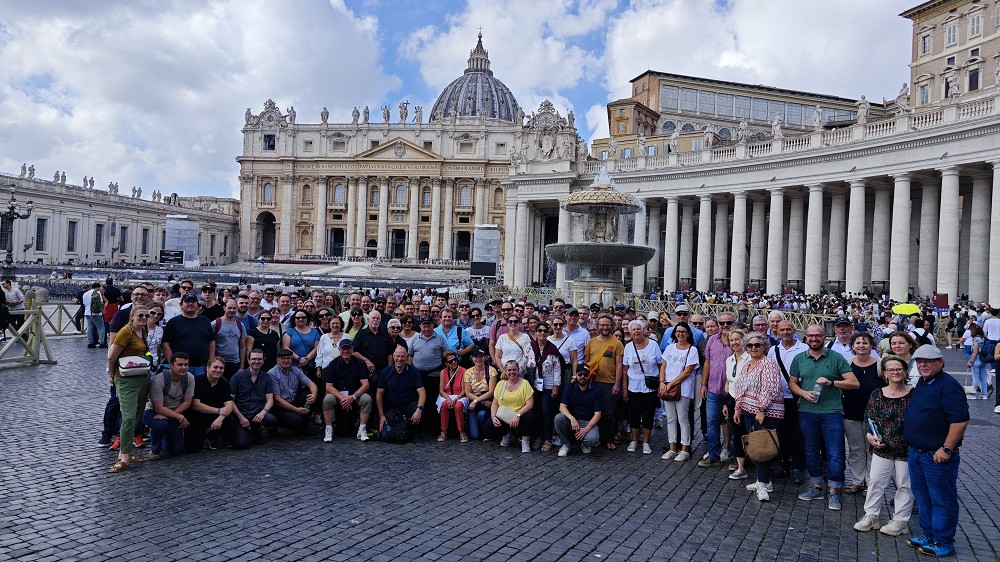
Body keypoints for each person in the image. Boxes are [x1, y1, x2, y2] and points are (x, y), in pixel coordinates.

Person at [903, 345, 969, 558]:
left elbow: (959, 421)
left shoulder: (948, 385)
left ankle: (944, 541)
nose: (923, 365)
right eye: (919, 361)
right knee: (923, 497)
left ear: (941, 362)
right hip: (917, 452)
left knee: (942, 499)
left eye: (928, 361)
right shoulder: (923, 382)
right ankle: (929, 534)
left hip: (937, 455)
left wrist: (947, 448)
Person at [788, 324, 860, 511]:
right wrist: (803, 394)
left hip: (832, 412)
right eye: (810, 335)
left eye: (817, 335)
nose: (813, 338)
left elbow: (854, 383)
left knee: (835, 452)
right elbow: (792, 383)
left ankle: (834, 490)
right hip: (807, 411)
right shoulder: (799, 359)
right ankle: (817, 486)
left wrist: (831, 382)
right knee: (810, 451)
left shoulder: (836, 357)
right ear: (806, 338)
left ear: (824, 337)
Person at [853, 355, 914, 537]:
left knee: (905, 485)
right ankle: (871, 516)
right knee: (876, 482)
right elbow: (868, 417)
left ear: (905, 372)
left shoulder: (914, 393)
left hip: (907, 448)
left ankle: (900, 521)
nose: (895, 372)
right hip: (882, 447)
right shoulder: (877, 393)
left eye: (899, 369)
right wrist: (869, 435)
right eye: (891, 369)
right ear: (885, 373)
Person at [732, 332, 785, 502]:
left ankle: (763, 484)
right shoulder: (747, 364)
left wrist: (762, 409)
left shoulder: (768, 363)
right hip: (748, 410)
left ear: (764, 347)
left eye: (757, 345)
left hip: (765, 412)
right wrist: (737, 408)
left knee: (761, 447)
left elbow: (771, 387)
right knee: (754, 446)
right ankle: (764, 480)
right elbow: (740, 388)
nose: (753, 348)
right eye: (750, 345)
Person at [106, 305, 151, 473]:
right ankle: (123, 456)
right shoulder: (125, 332)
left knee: (137, 417)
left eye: (147, 315)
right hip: (126, 379)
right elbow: (112, 357)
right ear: (131, 316)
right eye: (141, 315)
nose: (144, 318)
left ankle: (127, 451)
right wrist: (112, 376)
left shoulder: (143, 331)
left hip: (142, 377)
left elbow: (144, 352)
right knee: (129, 417)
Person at [842, 332, 885, 495]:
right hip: (851, 412)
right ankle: (857, 480)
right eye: (858, 343)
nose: (861, 345)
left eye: (865, 343)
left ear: (871, 346)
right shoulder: (847, 364)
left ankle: (870, 482)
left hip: (874, 415)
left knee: (872, 449)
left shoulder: (880, 365)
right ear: (853, 346)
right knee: (855, 449)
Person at [767, 319, 808, 483]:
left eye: (788, 329)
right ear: (777, 331)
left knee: (798, 433)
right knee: (781, 432)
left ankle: (798, 466)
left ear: (794, 330)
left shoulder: (804, 349)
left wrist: (803, 394)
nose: (785, 332)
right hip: (778, 398)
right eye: (782, 330)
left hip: (797, 397)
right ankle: (782, 464)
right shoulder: (773, 350)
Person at [142, 353, 196, 460]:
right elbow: (158, 408)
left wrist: (173, 416)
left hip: (173, 413)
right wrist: (179, 417)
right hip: (153, 413)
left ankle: (164, 436)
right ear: (171, 365)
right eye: (180, 365)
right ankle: (154, 449)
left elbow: (187, 402)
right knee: (161, 425)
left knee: (175, 451)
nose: (184, 368)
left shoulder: (190, 378)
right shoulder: (158, 380)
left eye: (186, 365)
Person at [658, 322, 699, 461]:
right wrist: (662, 382)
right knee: (670, 419)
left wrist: (670, 385)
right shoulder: (670, 348)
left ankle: (685, 449)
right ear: (674, 333)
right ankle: (672, 448)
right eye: (678, 331)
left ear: (688, 333)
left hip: (683, 389)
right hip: (667, 387)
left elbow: (687, 372)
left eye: (683, 331)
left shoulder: (692, 349)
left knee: (683, 419)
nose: (680, 334)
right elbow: (663, 366)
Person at [699, 311, 734, 467]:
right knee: (712, 422)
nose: (725, 326)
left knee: (731, 422)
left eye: (728, 323)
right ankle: (713, 453)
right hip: (713, 387)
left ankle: (729, 451)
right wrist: (703, 384)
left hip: (732, 390)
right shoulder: (712, 340)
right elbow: (707, 363)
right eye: (722, 323)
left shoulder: (737, 341)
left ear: (733, 323)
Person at [585, 314, 624, 450]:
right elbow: (586, 362)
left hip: (609, 384)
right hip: (593, 382)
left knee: (608, 413)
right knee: (595, 412)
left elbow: (619, 365)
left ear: (611, 326)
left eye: (607, 325)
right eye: (602, 325)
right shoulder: (591, 342)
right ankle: (598, 438)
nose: (605, 327)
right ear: (598, 326)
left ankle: (608, 439)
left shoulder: (617, 343)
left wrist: (617, 384)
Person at [321, 339, 372, 442]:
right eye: (343, 349)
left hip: (355, 394)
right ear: (339, 350)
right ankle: (328, 429)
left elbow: (365, 385)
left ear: (352, 349)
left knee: (367, 399)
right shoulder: (333, 364)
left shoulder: (359, 363)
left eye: (348, 348)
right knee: (327, 399)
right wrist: (343, 398)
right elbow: (328, 386)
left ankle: (362, 429)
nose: (346, 351)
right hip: (338, 394)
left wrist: (353, 397)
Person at [622, 320, 660, 455]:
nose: (636, 331)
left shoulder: (653, 345)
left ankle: (645, 442)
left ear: (643, 330)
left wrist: (661, 383)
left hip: (650, 386)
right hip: (633, 386)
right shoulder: (628, 347)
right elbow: (625, 369)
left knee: (648, 414)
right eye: (634, 329)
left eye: (639, 329)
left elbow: (661, 365)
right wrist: (625, 388)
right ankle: (634, 440)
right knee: (634, 414)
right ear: (630, 332)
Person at [185, 356, 236, 452]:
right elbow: (196, 405)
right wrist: (219, 411)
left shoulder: (224, 383)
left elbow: (229, 404)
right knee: (192, 449)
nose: (218, 370)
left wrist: (220, 418)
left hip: (216, 417)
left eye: (221, 368)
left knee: (231, 420)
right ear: (208, 367)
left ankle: (213, 436)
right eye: (215, 367)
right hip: (198, 416)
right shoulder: (197, 381)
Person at [229, 349, 279, 449]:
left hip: (257, 413)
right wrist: (241, 417)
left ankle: (256, 429)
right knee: (241, 444)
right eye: (254, 359)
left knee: (272, 420)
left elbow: (270, 400)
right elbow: (230, 400)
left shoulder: (266, 377)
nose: (257, 361)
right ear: (248, 360)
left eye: (259, 359)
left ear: (263, 360)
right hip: (240, 414)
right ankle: (245, 432)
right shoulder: (237, 377)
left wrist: (262, 413)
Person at [376, 346, 426, 437]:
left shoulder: (414, 372)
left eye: (402, 356)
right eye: (398, 356)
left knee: (421, 412)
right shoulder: (385, 372)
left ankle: (411, 430)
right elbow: (379, 394)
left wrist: (418, 410)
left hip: (408, 406)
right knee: (384, 435)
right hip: (391, 408)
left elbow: (422, 392)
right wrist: (381, 415)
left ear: (406, 357)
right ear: (393, 357)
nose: (400, 359)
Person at [161, 293, 216, 376]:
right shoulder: (173, 322)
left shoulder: (205, 320)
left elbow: (212, 342)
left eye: (193, 302)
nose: (190, 304)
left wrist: (211, 361)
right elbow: (165, 344)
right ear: (181, 305)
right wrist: (172, 363)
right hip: (180, 367)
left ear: (197, 305)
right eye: (187, 302)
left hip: (201, 366)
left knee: (198, 388)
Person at [555, 365, 602, 456]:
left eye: (585, 374)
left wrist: (586, 429)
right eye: (580, 374)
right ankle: (565, 444)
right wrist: (572, 418)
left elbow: (598, 414)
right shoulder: (569, 387)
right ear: (576, 375)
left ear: (589, 376)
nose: (582, 377)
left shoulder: (596, 390)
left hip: (587, 422)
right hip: (572, 421)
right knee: (558, 418)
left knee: (593, 438)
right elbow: (562, 407)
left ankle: (585, 444)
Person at [491, 360, 537, 453]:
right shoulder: (500, 384)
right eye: (509, 370)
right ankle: (507, 434)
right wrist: (493, 417)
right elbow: (495, 403)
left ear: (518, 370)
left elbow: (530, 404)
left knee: (529, 417)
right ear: (505, 371)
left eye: (514, 370)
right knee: (489, 423)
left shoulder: (525, 383)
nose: (512, 372)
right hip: (505, 416)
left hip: (521, 414)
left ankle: (525, 441)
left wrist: (518, 416)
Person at [723, 328, 750, 479]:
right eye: (731, 340)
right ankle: (741, 468)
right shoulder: (729, 360)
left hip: (748, 401)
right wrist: (726, 403)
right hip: (733, 400)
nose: (734, 342)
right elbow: (728, 383)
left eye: (737, 339)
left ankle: (757, 464)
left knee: (750, 433)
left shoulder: (750, 358)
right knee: (737, 434)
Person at [463, 348, 498, 440]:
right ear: (472, 358)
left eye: (481, 356)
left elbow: (491, 391)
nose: (478, 359)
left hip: (486, 401)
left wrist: (476, 401)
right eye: (476, 357)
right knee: (474, 436)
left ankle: (486, 430)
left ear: (484, 357)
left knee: (482, 415)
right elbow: (468, 392)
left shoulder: (492, 371)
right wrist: (477, 401)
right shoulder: (468, 373)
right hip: (474, 404)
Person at [436, 350, 468, 442]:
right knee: (444, 405)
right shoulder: (443, 372)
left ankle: (461, 431)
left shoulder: (463, 371)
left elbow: (464, 390)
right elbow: (441, 390)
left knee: (458, 406)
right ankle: (444, 431)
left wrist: (456, 399)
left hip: (460, 396)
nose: (454, 362)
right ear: (446, 363)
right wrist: (448, 398)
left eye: (455, 360)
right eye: (450, 361)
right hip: (447, 395)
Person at [213, 299, 247, 379]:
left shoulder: (240, 325)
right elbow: (211, 344)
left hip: (234, 362)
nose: (232, 310)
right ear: (224, 308)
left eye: (234, 308)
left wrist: (241, 367)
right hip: (219, 362)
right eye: (229, 308)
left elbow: (242, 347)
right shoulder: (215, 324)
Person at [966, 323, 990, 399]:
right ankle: (984, 394)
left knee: (975, 377)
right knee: (983, 377)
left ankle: (972, 394)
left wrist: (971, 361)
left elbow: (975, 351)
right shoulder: (982, 338)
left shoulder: (976, 339)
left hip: (977, 359)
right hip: (983, 359)